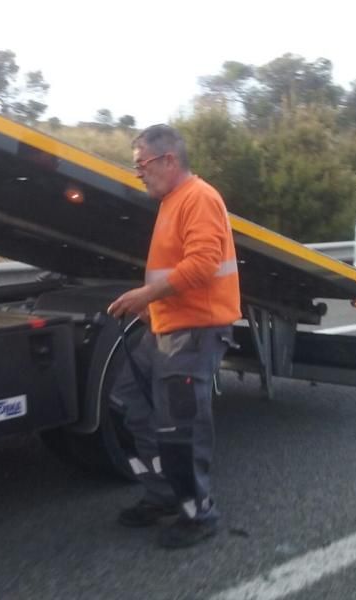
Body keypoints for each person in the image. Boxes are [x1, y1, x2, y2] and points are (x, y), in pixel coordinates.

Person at [107, 124, 241, 549]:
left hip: (194, 333)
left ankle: (197, 514)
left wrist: (146, 294)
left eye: (141, 165)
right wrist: (152, 307)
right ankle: (162, 494)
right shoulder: (172, 201)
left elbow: (202, 264)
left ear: (168, 160)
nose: (139, 174)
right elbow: (175, 269)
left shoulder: (198, 198)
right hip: (167, 328)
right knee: (126, 400)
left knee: (181, 428)